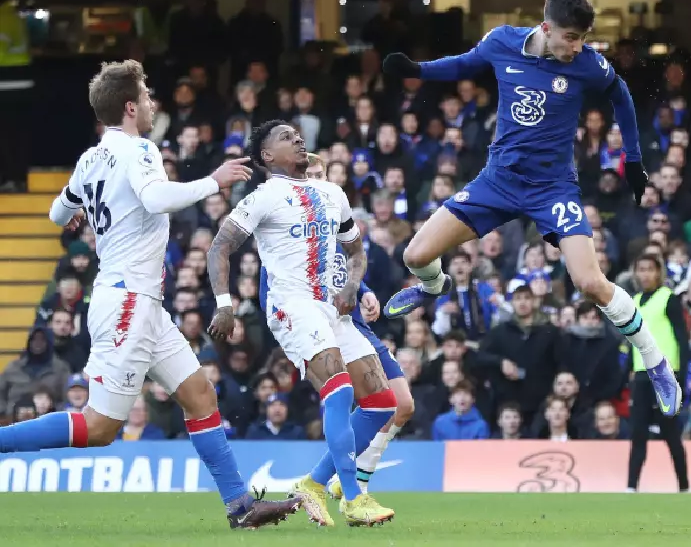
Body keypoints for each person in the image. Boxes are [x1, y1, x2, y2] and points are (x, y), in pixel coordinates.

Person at [0, 60, 299, 529]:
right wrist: (213, 181)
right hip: (127, 302)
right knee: (99, 427)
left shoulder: (90, 158)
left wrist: (84, 213)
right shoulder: (139, 149)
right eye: (147, 95)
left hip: (141, 303)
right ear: (129, 107)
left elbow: (59, 213)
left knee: (200, 394)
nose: (154, 104)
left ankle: (240, 505)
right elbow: (156, 199)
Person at [380, 0, 683, 416]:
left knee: (591, 283)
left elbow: (622, 97)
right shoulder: (503, 41)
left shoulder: (587, 65)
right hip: (497, 182)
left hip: (553, 189)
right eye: (572, 37)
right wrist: (417, 70)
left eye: (583, 38)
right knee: (415, 254)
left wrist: (633, 161)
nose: (578, 47)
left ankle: (655, 363)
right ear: (546, 29)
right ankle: (434, 285)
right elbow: (464, 64)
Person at [207, 120, 397, 526]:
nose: (297, 138)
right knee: (340, 391)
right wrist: (224, 304)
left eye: (298, 134)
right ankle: (352, 498)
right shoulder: (263, 197)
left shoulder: (332, 192)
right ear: (266, 156)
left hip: (332, 308)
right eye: (284, 137)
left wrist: (352, 283)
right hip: (291, 306)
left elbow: (356, 250)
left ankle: (312, 484)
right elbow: (220, 246)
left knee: (382, 403)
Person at [270, 153, 415, 502]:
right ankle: (350, 487)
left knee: (400, 404)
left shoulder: (339, 221)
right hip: (316, 322)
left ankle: (332, 480)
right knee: (351, 397)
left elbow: (347, 266)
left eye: (324, 175)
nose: (318, 181)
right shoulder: (293, 227)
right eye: (314, 175)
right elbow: (276, 279)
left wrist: (365, 292)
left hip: (351, 321)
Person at [626, 253, 689, 493]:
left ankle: (684, 486)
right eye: (641, 269)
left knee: (670, 431)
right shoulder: (633, 301)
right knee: (638, 431)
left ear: (658, 272)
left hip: (665, 372)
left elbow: (682, 338)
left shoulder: (668, 299)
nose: (645, 274)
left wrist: (681, 374)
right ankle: (631, 487)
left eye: (649, 269)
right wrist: (629, 371)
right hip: (641, 373)